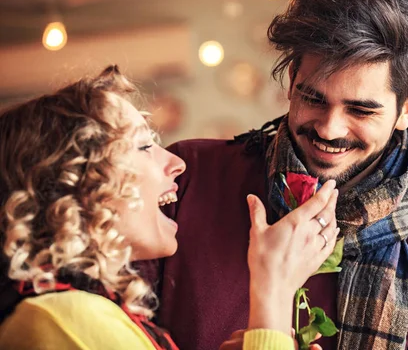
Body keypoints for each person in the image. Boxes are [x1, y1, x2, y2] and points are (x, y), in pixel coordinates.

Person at [151, 0, 408, 350]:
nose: (329, 129)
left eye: (361, 110)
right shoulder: (183, 179)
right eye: (313, 98)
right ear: (292, 82)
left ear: (406, 111)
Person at [0, 66, 338, 350]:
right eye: (144, 146)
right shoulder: (60, 320)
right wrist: (274, 290)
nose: (176, 162)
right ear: (74, 183)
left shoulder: (96, 315)